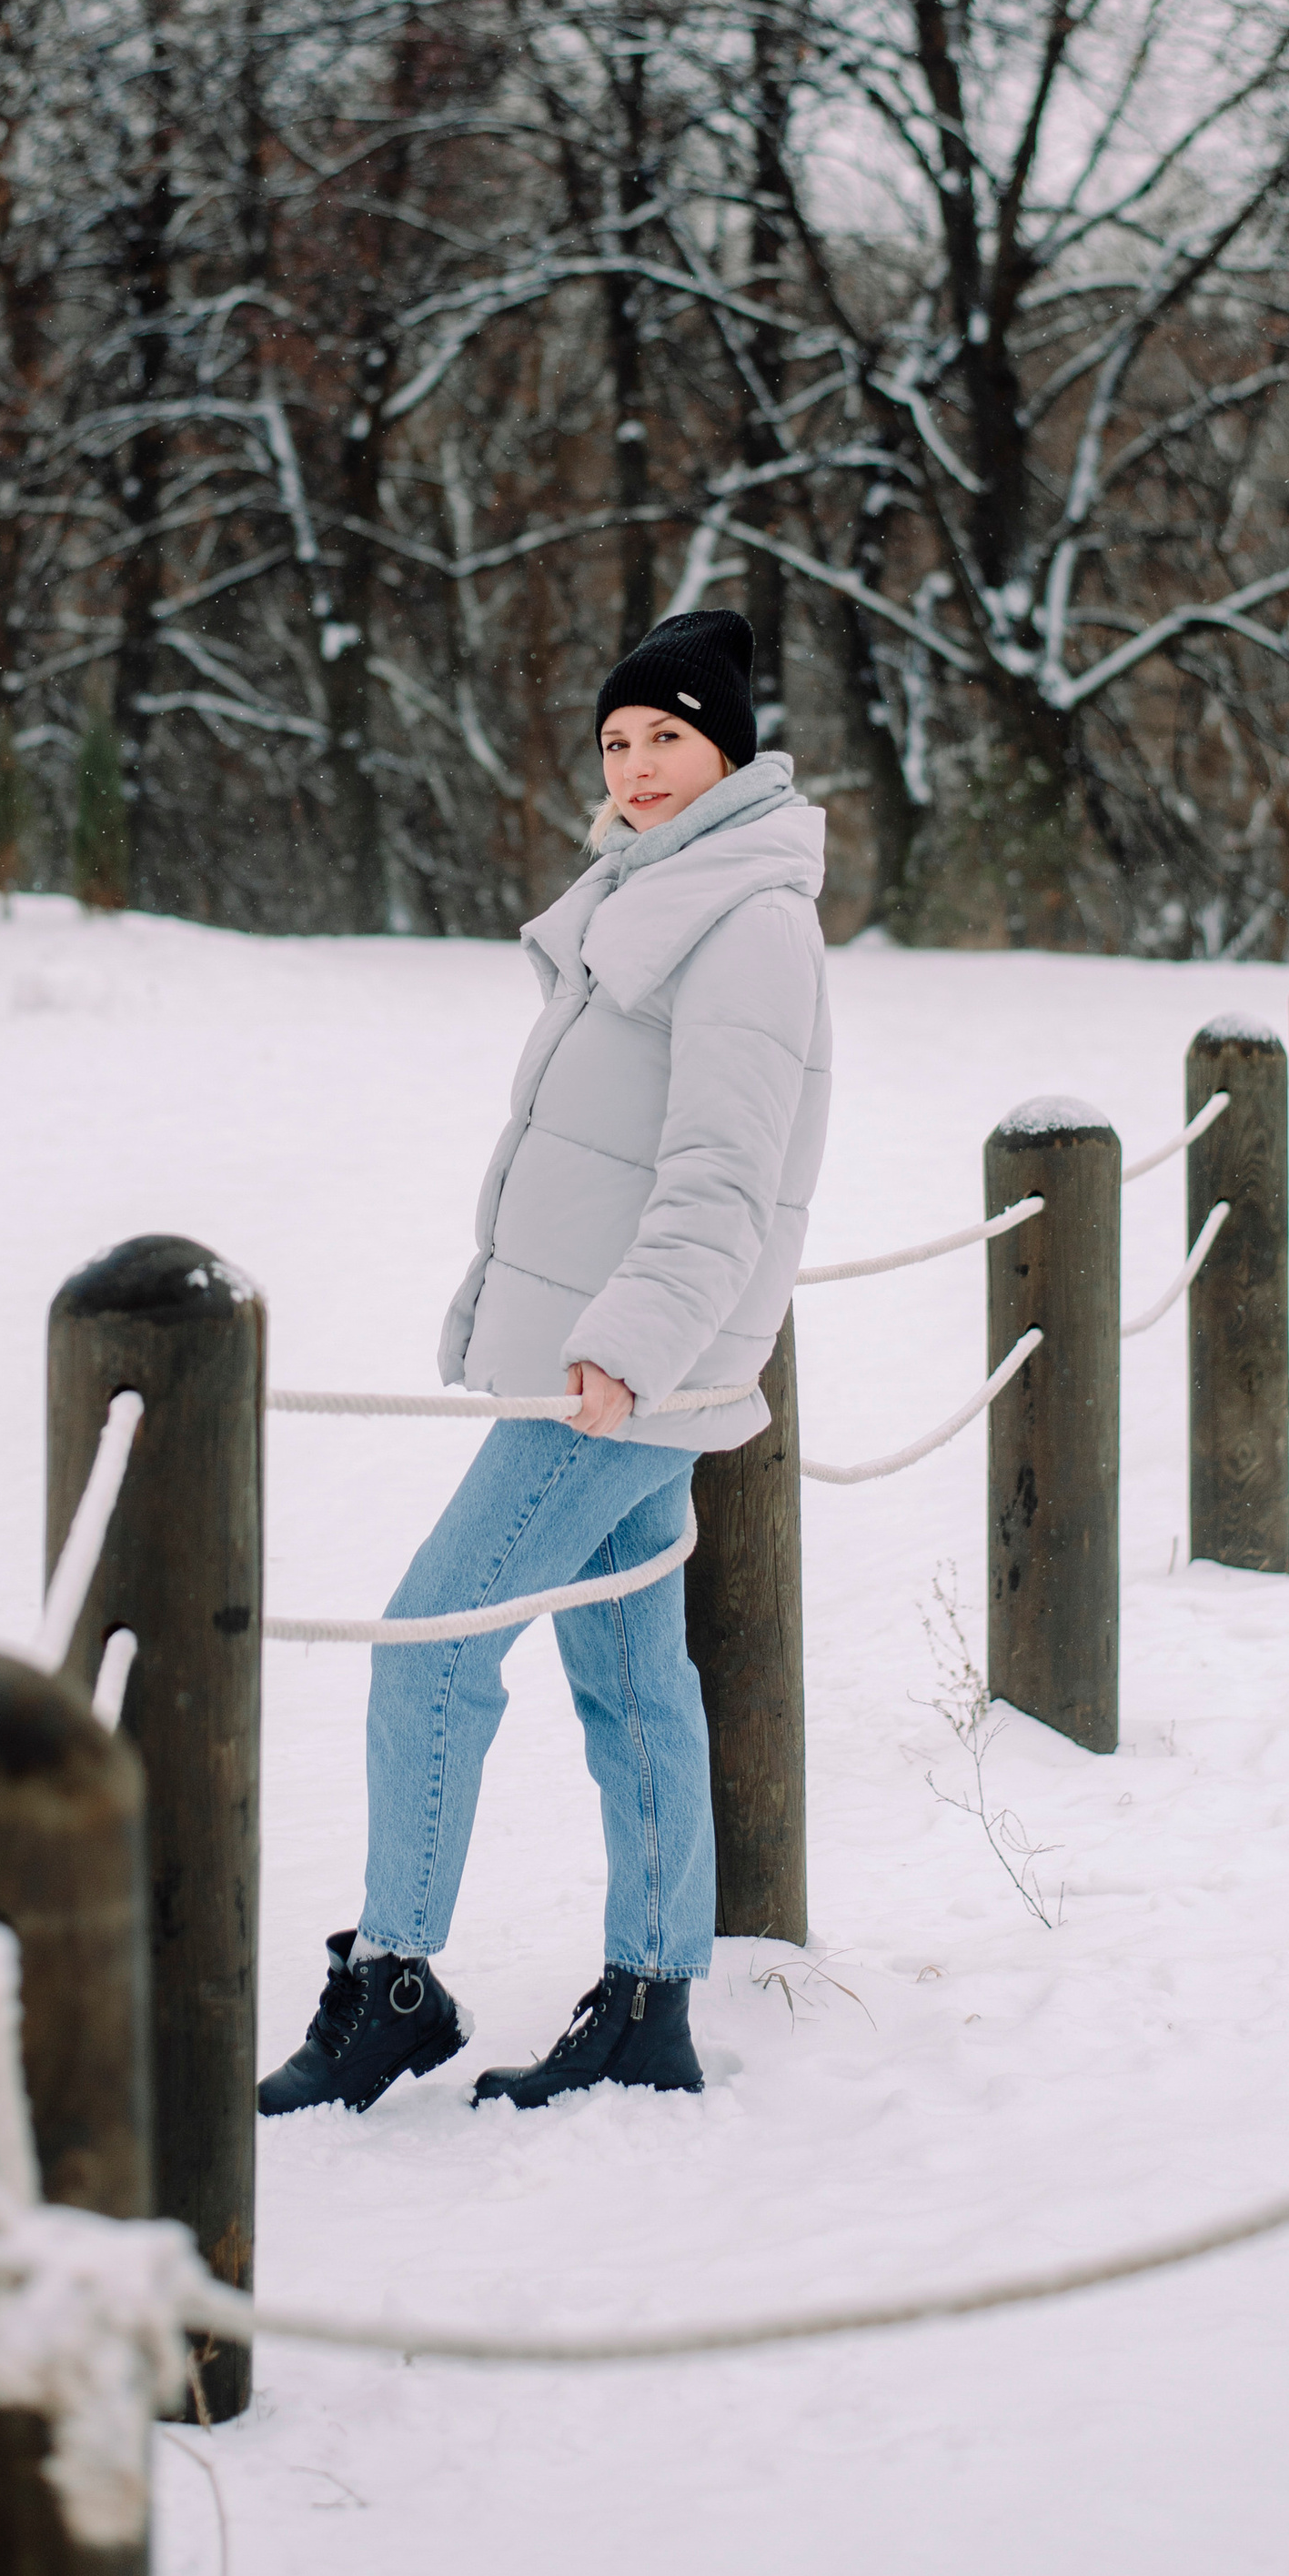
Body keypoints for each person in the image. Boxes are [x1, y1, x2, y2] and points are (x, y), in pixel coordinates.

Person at [259, 606, 832, 2117]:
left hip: (628, 1364)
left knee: (432, 1635)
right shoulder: (650, 893)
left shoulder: (746, 915)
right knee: (632, 1671)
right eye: (618, 742)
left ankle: (396, 1981)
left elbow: (722, 1171)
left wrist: (626, 1348)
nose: (639, 767)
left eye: (670, 738)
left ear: (731, 749)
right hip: (620, 1360)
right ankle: (652, 1997)